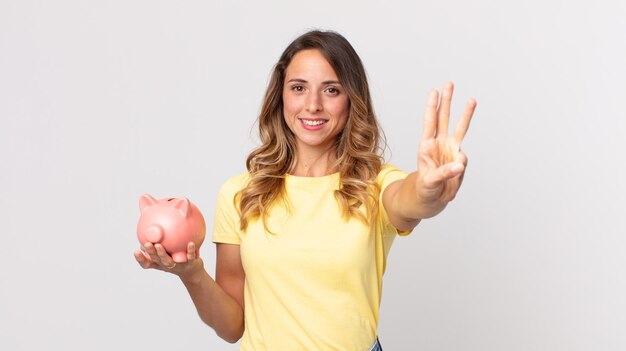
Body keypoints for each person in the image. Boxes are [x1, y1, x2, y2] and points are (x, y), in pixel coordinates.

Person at [134, 30, 476, 351]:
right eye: (298, 88)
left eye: (331, 90)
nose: (312, 104)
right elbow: (232, 327)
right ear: (280, 97)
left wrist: (432, 187)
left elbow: (410, 200)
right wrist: (192, 275)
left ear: (351, 100)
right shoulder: (241, 193)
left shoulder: (373, 184)